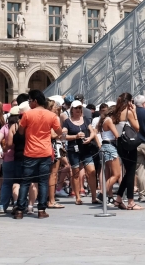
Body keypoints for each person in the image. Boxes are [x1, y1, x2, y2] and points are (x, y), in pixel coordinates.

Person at [15, 90, 61, 219]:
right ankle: (41, 210)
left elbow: (21, 132)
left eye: (30, 100)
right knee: (43, 182)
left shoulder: (27, 115)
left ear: (35, 101)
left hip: (30, 151)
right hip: (45, 151)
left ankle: (20, 210)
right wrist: (49, 135)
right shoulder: (51, 116)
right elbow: (59, 131)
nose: (29, 103)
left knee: (25, 182)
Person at [62, 101, 93, 205]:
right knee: (75, 173)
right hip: (73, 150)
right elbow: (63, 136)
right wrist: (75, 137)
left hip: (86, 149)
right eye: (76, 108)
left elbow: (93, 131)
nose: (78, 110)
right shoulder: (67, 122)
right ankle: (77, 197)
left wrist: (90, 138)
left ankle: (94, 197)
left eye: (80, 108)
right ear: (72, 110)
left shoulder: (85, 120)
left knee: (91, 172)